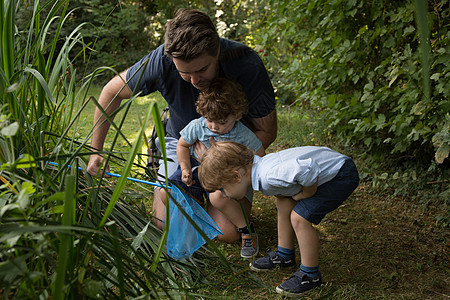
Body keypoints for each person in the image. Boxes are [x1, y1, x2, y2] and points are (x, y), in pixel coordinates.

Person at [86, 8, 277, 243]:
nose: (195, 82)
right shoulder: (161, 61)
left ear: (216, 50)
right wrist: (96, 151)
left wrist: (219, 158)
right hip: (181, 142)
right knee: (164, 224)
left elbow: (266, 131)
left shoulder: (246, 64)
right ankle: (188, 190)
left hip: (233, 148)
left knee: (226, 233)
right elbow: (110, 92)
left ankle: (206, 200)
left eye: (202, 70)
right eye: (184, 73)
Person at [198, 141, 359, 297]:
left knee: (299, 218)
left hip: (340, 175)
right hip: (332, 169)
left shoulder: (269, 176)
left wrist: (307, 193)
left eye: (222, 189)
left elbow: (308, 169)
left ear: (236, 176)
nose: (224, 195)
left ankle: (310, 275)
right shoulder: (260, 170)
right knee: (283, 200)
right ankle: (284, 255)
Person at [161, 77, 264, 257]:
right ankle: (195, 212)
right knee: (166, 192)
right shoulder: (198, 126)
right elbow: (182, 145)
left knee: (221, 213)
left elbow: (260, 156)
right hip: (196, 172)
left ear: (237, 115)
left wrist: (238, 166)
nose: (214, 127)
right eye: (210, 120)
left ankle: (246, 230)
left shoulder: (242, 134)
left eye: (222, 122)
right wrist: (185, 169)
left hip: (225, 180)